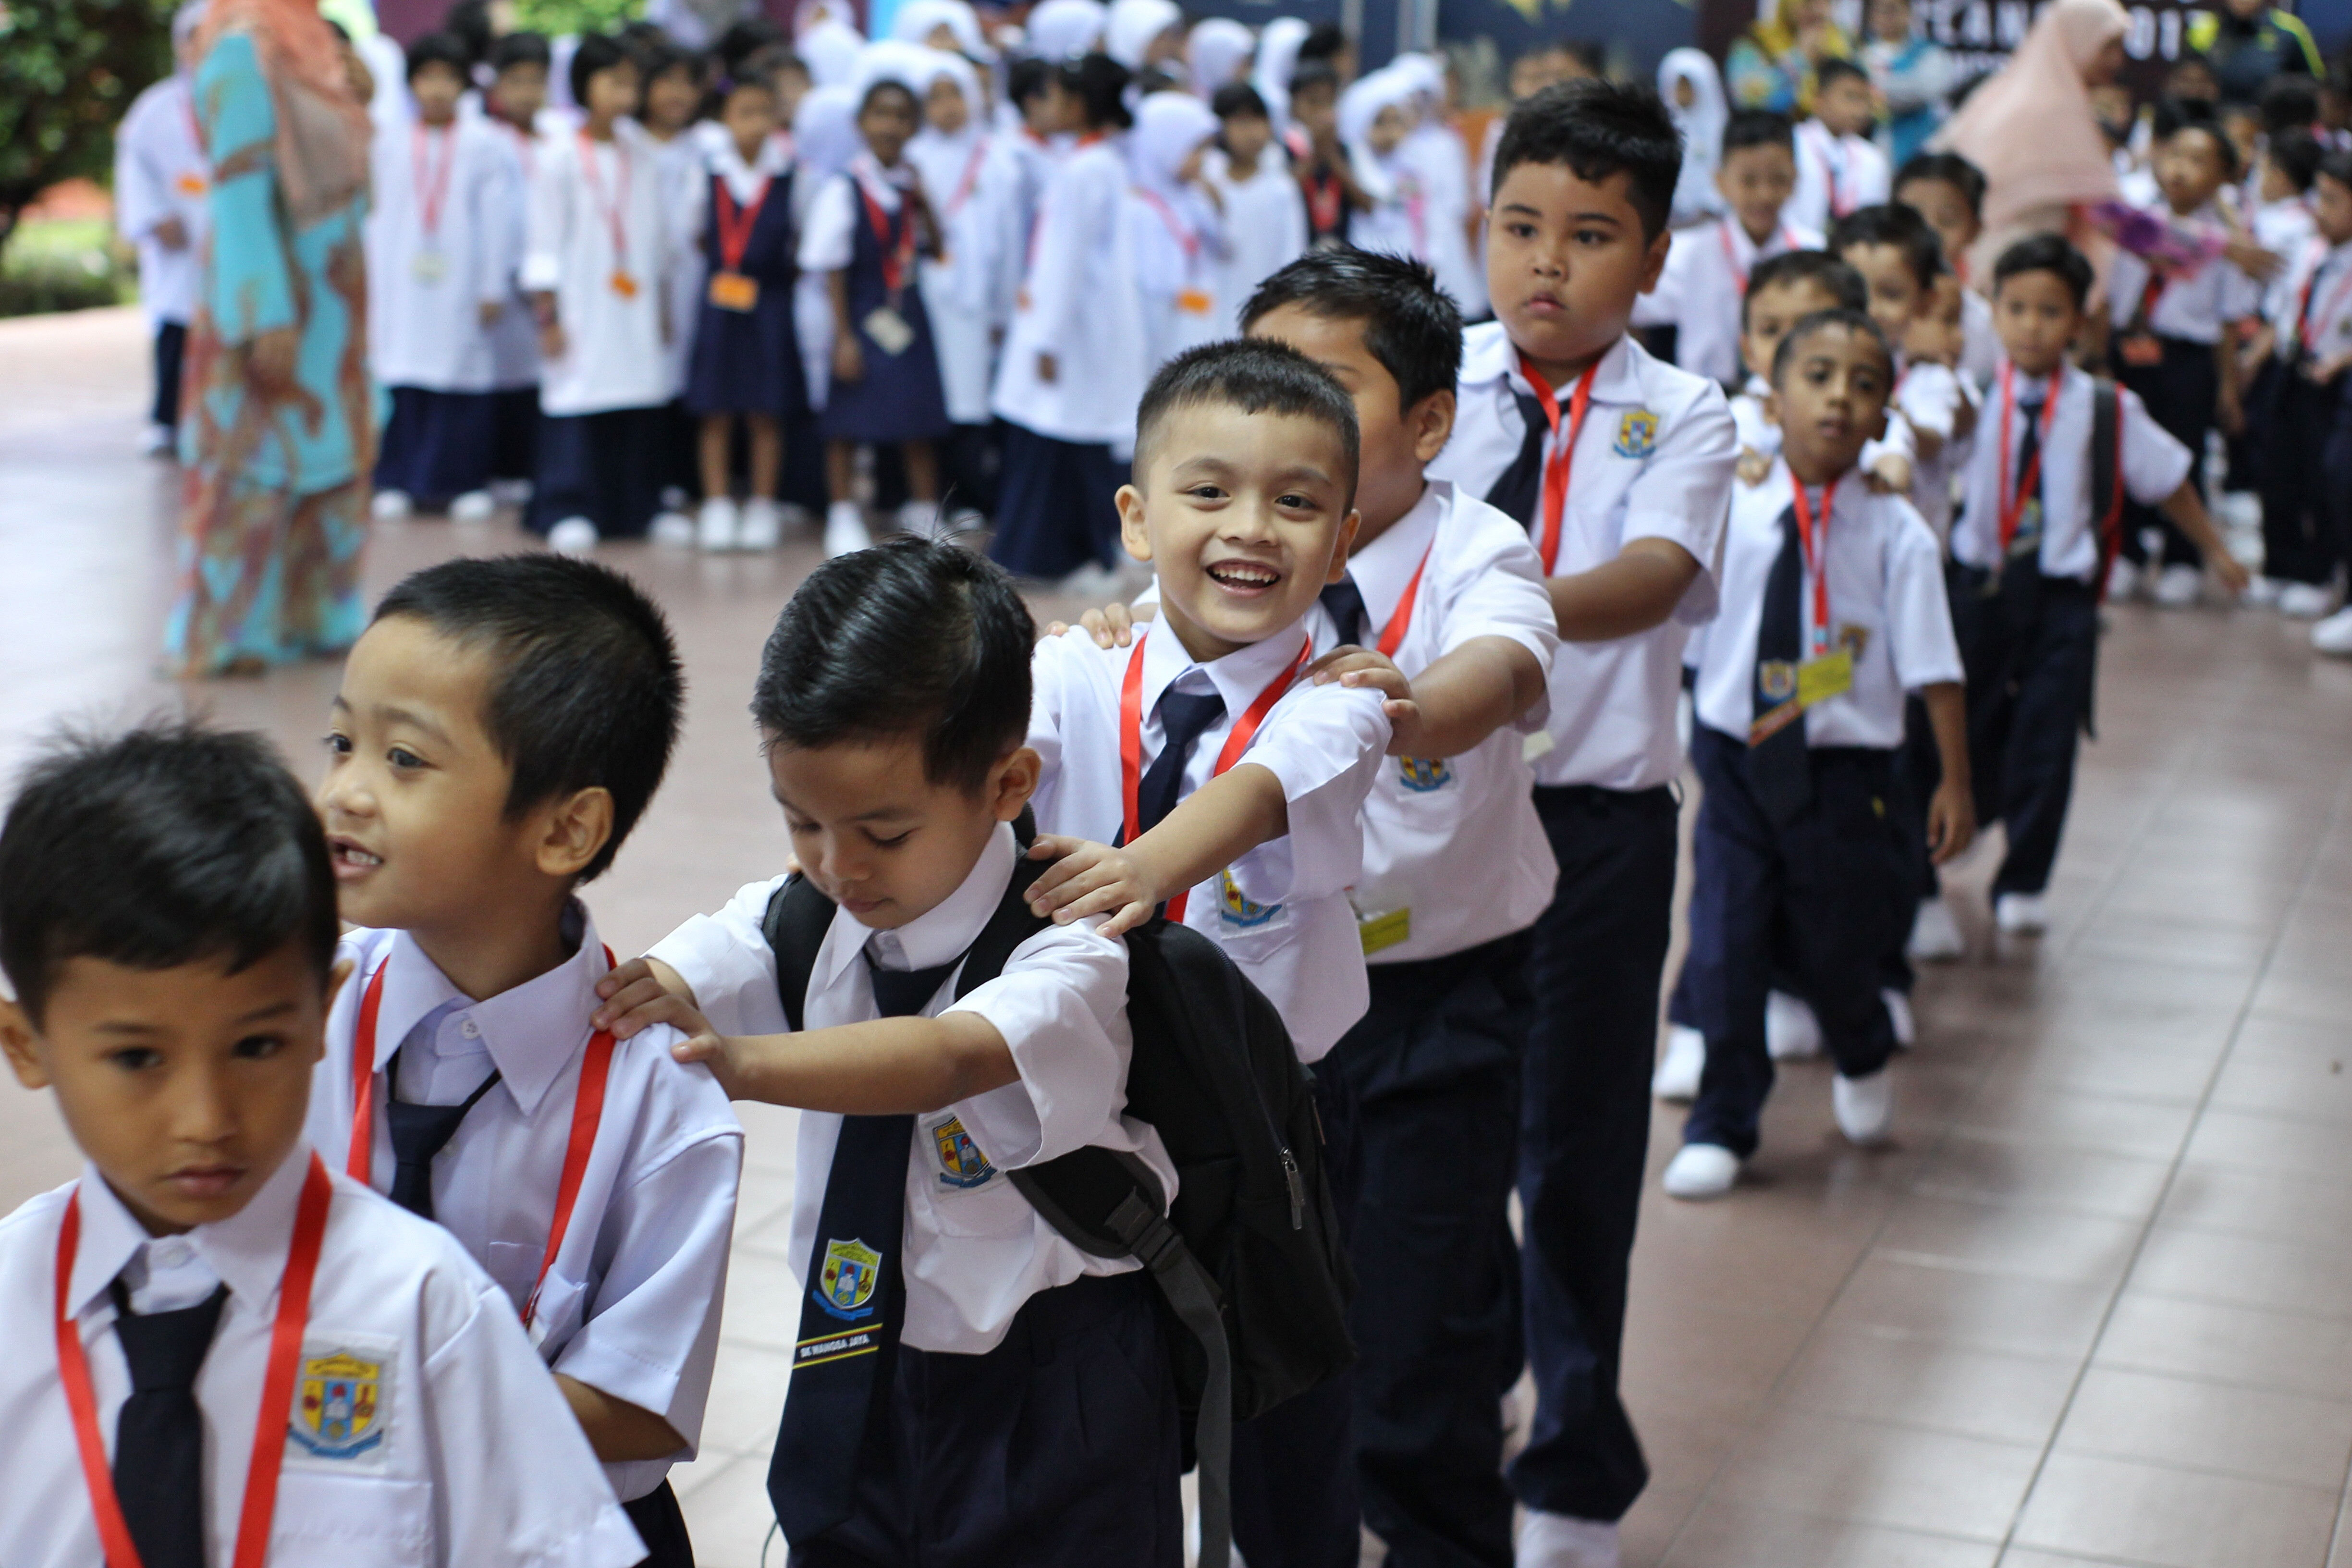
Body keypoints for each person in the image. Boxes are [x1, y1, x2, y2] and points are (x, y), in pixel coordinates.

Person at [599, 541, 1188, 1567]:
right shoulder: (805, 918)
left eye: (881, 830)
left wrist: (742, 1067)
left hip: (1057, 1385)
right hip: (854, 1360)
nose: (838, 866)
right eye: (803, 823)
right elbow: (680, 971)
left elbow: (946, 1058)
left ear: (1007, 784)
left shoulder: (1071, 948)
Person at [0, 723, 646, 1568]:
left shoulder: (423, 1304)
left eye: (256, 1045)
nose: (205, 1116)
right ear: (27, 1045)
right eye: (137, 1058)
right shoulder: (10, 1301)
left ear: (321, 1010)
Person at [1427, 78, 1738, 1568]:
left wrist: (1477, 613)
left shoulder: (1686, 409)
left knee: (1580, 1144)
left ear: (1657, 258)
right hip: (1435, 822)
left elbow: (1660, 576)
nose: (1548, 263)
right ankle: (1463, 1380)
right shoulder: (1428, 397)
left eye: (1593, 234)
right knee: (1435, 1124)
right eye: (1520, 227)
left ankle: (1574, 1457)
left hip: (1599, 829)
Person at [1018, 339, 1396, 1568]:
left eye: (1296, 503)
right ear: (1135, 517)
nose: (1252, 528)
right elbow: (980, 739)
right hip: (1100, 1091)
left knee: (1284, 1386)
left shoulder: (1338, 695)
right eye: (1209, 492)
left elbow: (1256, 792)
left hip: (1272, 1107)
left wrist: (1141, 869)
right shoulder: (1079, 664)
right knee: (1102, 1381)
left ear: (1342, 538)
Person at [305, 555, 741, 1568]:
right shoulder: (294, 1013)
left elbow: (638, 1407)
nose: (346, 792)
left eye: (404, 760)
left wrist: (353, 1400)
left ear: (565, 828)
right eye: (342, 742)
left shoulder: (662, 1103)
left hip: (550, 1532)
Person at [1245, 250, 1557, 1568]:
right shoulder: (1240, 554)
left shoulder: (1481, 546)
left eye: (1323, 386)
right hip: (1265, 1005)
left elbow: (1505, 663)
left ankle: (1439, 1522)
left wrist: (1408, 708)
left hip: (1440, 1001)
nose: (1282, 418)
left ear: (1429, 421)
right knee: (1274, 1324)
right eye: (1259, 382)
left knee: (1422, 1334)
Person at [1661, 308, 1972, 1199]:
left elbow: (1936, 667)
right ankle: (1723, 1119)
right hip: (1737, 760)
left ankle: (1862, 1047)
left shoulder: (1895, 528)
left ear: (1883, 418)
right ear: (1775, 396)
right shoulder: (1731, 503)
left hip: (1846, 772)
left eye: (1865, 383)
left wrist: (1953, 780)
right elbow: (1680, 628)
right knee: (1724, 943)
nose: (1840, 395)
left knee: (1840, 948)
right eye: (1819, 375)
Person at [1951, 235, 2247, 938]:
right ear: (1991, 312)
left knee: (2049, 740)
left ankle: (2024, 877)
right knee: (1965, 730)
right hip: (1978, 592)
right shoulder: (1967, 399)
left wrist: (2215, 550)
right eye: (2016, 308)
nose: (2031, 325)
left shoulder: (2105, 407)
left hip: (2063, 601)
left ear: (2081, 324)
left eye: (2050, 311)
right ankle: (1939, 862)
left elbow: (2169, 479)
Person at [169, 0, 375, 677]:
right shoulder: (238, 49)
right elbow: (237, 193)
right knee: (250, 464)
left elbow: (351, 185)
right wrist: (264, 313)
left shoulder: (312, 46)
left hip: (330, 305)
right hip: (275, 299)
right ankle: (222, 634)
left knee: (329, 459)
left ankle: (316, 615)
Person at [989, 53, 1148, 586]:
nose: (1043, 107)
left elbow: (1066, 259)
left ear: (1077, 106)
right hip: (1076, 326)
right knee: (1061, 440)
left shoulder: (1087, 169)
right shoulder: (1089, 161)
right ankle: (1069, 552)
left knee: (1065, 441)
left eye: (1053, 96)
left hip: (1073, 332)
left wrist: (1046, 338)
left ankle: (1078, 554)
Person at [2103, 97, 2263, 606]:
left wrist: (2228, 388)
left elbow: (2225, 324)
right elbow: (2124, 254)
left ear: (2223, 177)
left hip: (2186, 357)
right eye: (2176, 155)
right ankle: (2126, 551)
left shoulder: (2235, 246)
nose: (2181, 170)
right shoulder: (2132, 209)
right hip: (2129, 343)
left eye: (2199, 162)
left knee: (2183, 453)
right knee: (2122, 453)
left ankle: (2181, 558)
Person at [524, 35, 680, 551]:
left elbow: (656, 237)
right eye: (614, 81)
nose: (626, 93)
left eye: (633, 83)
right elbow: (543, 240)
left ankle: (639, 506)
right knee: (579, 396)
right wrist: (547, 315)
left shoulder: (645, 154)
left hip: (634, 302)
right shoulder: (559, 154)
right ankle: (568, 505)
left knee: (637, 397)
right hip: (580, 301)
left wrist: (661, 305)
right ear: (583, 86)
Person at [368, 32, 523, 524]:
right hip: (402, 284)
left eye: (448, 78)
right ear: (411, 82)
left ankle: (462, 482)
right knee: (405, 381)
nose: (437, 88)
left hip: (464, 283)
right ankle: (397, 479)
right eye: (427, 77)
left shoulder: (485, 144)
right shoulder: (388, 142)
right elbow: (375, 218)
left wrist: (492, 284)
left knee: (459, 381)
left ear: (465, 85)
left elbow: (501, 219)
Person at [803, 64, 955, 557]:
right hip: (863, 311)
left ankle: (924, 509)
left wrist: (925, 197)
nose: (891, 126)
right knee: (848, 420)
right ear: (861, 123)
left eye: (902, 117)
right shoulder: (845, 187)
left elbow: (935, 249)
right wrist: (843, 336)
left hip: (907, 310)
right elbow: (831, 267)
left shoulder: (911, 184)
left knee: (918, 417)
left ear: (915, 127)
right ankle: (843, 513)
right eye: (881, 115)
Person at [685, 68, 806, 552]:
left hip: (770, 304)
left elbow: (797, 241)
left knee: (765, 410)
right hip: (720, 303)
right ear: (726, 119)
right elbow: (696, 235)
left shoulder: (791, 177)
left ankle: (761, 503)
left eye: (764, 113)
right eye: (744, 113)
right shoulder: (708, 173)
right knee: (715, 409)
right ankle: (716, 503)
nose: (754, 124)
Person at [1932, 0, 2127, 280]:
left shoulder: (2007, 91)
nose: (2116, 60)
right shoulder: (2049, 108)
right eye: (2107, 46)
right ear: (2078, 38)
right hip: (2005, 267)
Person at [1634, 109, 1818, 387]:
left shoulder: (1813, 253)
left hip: (1791, 393)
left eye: (1778, 180)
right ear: (1721, 182)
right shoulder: (1687, 253)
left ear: (1795, 180)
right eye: (1749, 181)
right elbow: (1631, 302)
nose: (1764, 194)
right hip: (1706, 393)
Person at [904, 49, 1001, 533]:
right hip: (924, 298)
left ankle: (965, 496)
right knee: (923, 399)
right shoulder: (911, 157)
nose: (946, 107)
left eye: (954, 95)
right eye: (934, 97)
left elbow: (1009, 238)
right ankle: (922, 496)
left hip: (974, 303)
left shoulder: (994, 158)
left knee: (968, 405)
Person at [2255, 149, 2352, 633]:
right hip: (2291, 369)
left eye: (2334, 201)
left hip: (2333, 380)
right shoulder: (2313, 251)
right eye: (2320, 197)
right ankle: (2280, 564)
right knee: (2278, 468)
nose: (2321, 210)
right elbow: (2288, 312)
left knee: (2326, 478)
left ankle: (2319, 574)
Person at [115, 0, 213, 459]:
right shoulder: (154, 109)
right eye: (194, 37)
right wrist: (154, 218)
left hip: (224, 240)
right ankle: (167, 421)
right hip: (178, 241)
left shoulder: (243, 99)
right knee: (177, 330)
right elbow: (134, 169)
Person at [482, 29, 554, 504]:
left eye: (537, 80)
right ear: (497, 88)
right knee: (502, 378)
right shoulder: (488, 141)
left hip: (549, 281)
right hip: (505, 281)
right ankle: (501, 469)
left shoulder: (562, 138)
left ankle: (533, 469)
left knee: (543, 379)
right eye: (517, 81)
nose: (528, 92)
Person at [1127, 91, 1227, 367]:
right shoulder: (1139, 209)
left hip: (1194, 320)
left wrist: (1217, 207)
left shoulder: (1191, 197)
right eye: (1196, 149)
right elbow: (1153, 286)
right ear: (1165, 145)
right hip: (1160, 334)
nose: (1203, 160)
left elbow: (1225, 247)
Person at [1205, 82, 1310, 328]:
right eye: (1241, 122)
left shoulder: (1280, 190)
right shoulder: (1208, 182)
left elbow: (1291, 255)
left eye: (1260, 121)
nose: (1253, 132)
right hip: (1210, 310)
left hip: (1257, 311)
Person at [1892, 150, 2000, 380]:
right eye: (1912, 217)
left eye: (1947, 221)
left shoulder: (1987, 325)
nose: (1929, 232)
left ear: (1975, 230)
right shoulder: (1868, 308)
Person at [1789, 58, 1891, 236]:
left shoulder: (1873, 159)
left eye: (1866, 100)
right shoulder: (1792, 144)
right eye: (1850, 97)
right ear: (1819, 99)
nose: (1860, 110)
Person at [1861, 0, 1950, 168]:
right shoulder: (1861, 55)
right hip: (1875, 147)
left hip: (1921, 143)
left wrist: (1876, 90)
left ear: (1908, 13)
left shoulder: (1929, 53)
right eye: (1880, 11)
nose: (1887, 17)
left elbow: (1926, 90)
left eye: (1892, 10)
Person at [2186, 0, 2324, 106]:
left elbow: (2314, 84)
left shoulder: (2290, 30)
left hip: (2271, 120)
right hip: (2217, 119)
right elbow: (2188, 81)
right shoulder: (2203, 28)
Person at [1727, 0, 1851, 116]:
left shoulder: (1843, 45)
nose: (1818, 10)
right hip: (1774, 133)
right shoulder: (1755, 44)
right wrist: (1800, 59)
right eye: (1808, 3)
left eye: (1826, 2)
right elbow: (1748, 103)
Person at [1290, 65, 1365, 252]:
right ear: (1293, 106)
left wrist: (1332, 156)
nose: (1322, 111)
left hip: (1339, 252)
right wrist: (1315, 153)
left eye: (1329, 102)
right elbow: (1284, 195)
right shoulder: (1284, 148)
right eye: (1313, 102)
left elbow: (1367, 205)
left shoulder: (1347, 149)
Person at [1658, 48, 1727, 228]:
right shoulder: (1661, 132)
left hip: (1713, 223)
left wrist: (1708, 208)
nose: (1683, 92)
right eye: (1678, 85)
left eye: (1688, 86)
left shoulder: (1723, 133)